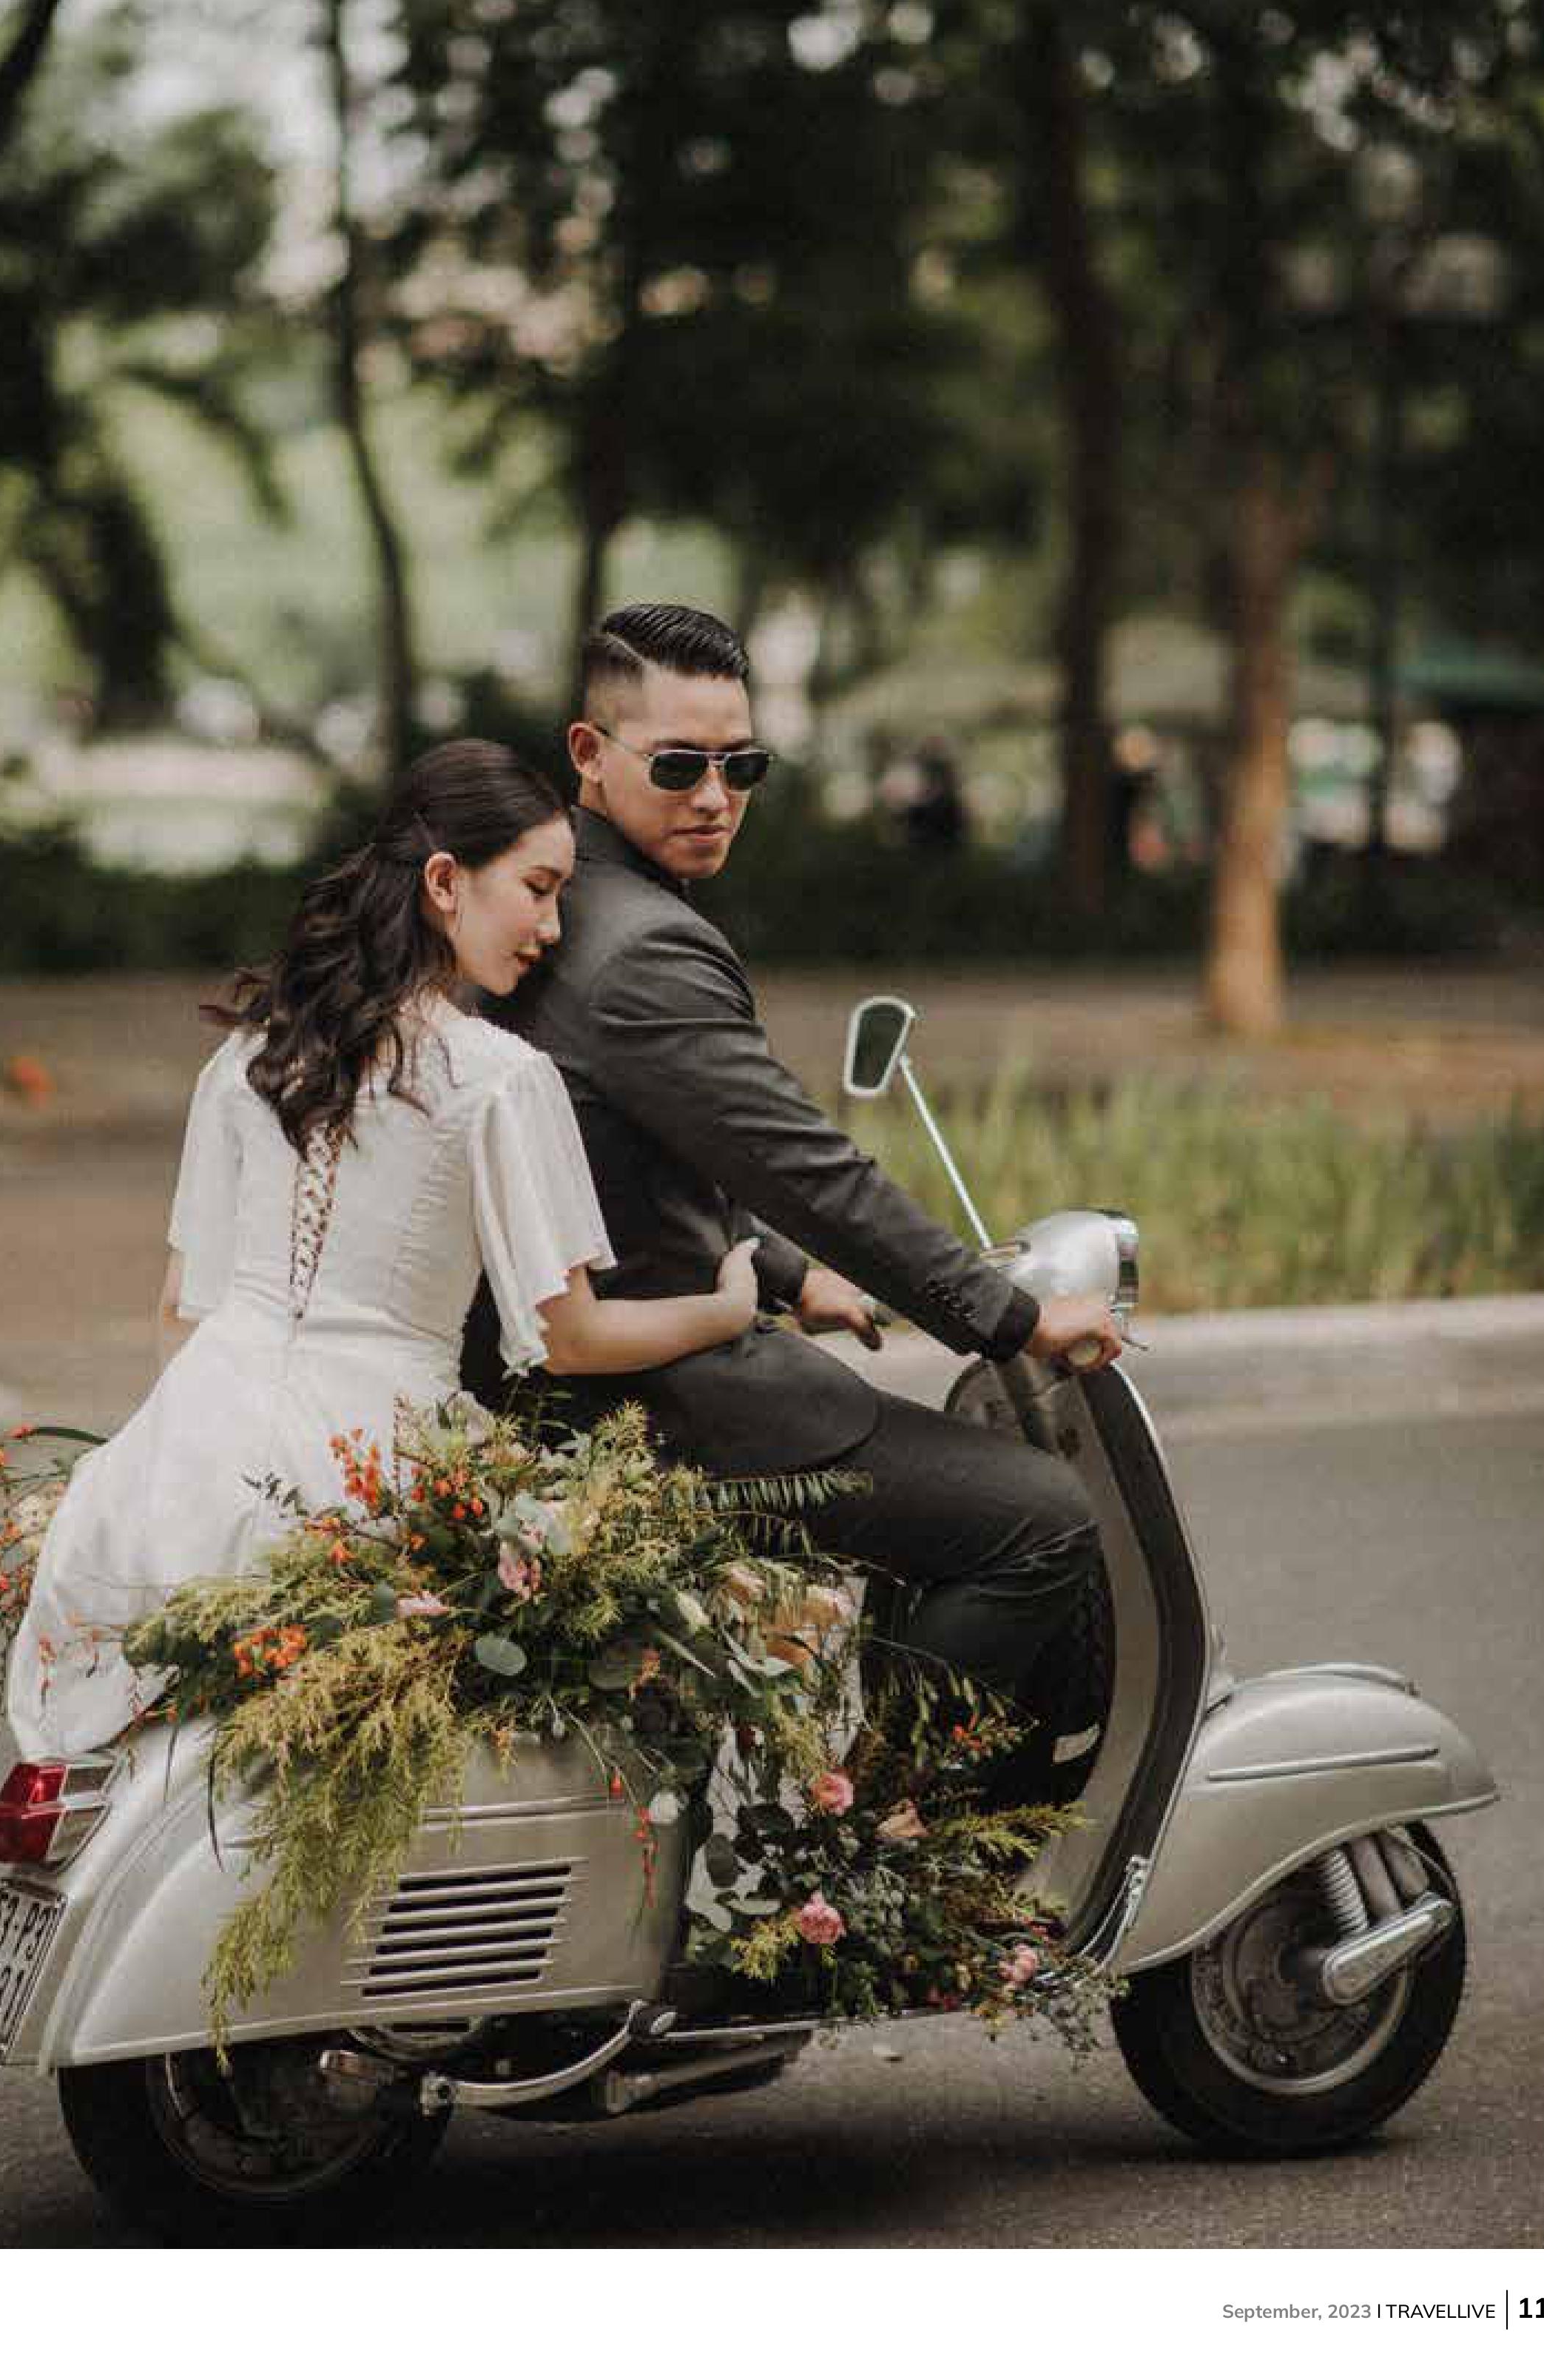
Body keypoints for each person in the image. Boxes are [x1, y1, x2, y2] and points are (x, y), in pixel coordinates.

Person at [462, 605, 1121, 1798]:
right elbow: (804, 1166)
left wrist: (783, 1272)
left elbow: (622, 1154)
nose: (716, 796)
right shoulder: (641, 945)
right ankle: (862, 1830)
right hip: (658, 1399)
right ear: (589, 752)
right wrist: (1010, 1318)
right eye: (680, 765)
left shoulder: (552, 905)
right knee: (1043, 1517)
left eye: (742, 765)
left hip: (563, 1371)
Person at [7, 739, 761, 1759]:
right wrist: (725, 1309)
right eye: (539, 889)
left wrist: (188, 1463)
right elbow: (571, 1337)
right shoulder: (496, 1079)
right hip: (371, 1469)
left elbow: (181, 1308)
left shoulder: (252, 1055)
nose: (551, 928)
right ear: (445, 882)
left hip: (183, 1458)